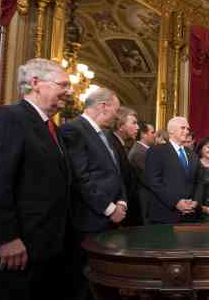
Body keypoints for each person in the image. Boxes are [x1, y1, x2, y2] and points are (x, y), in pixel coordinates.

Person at [0, 58, 72, 300]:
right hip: (15, 250)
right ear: (36, 83)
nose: (70, 92)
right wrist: (5, 238)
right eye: (64, 85)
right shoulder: (7, 118)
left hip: (46, 247)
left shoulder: (52, 129)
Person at [60, 88, 126, 300]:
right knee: (87, 282)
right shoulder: (73, 130)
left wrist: (122, 202)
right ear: (103, 106)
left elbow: (116, 172)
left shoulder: (106, 134)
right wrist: (109, 208)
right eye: (116, 110)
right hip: (90, 219)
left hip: (113, 217)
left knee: (108, 279)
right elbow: (81, 178)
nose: (117, 116)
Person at [145, 116, 200, 224]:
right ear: (171, 131)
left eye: (188, 129)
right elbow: (154, 182)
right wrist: (176, 202)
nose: (187, 131)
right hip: (165, 216)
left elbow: (199, 181)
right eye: (183, 128)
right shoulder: (156, 151)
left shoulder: (193, 155)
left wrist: (195, 202)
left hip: (190, 215)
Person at [108, 107, 141, 226]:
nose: (138, 127)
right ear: (120, 126)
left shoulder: (121, 145)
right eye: (134, 123)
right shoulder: (111, 145)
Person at [128, 121, 156, 225]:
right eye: (152, 132)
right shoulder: (139, 153)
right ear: (144, 134)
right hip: (143, 200)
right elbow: (148, 178)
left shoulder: (145, 150)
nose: (155, 135)